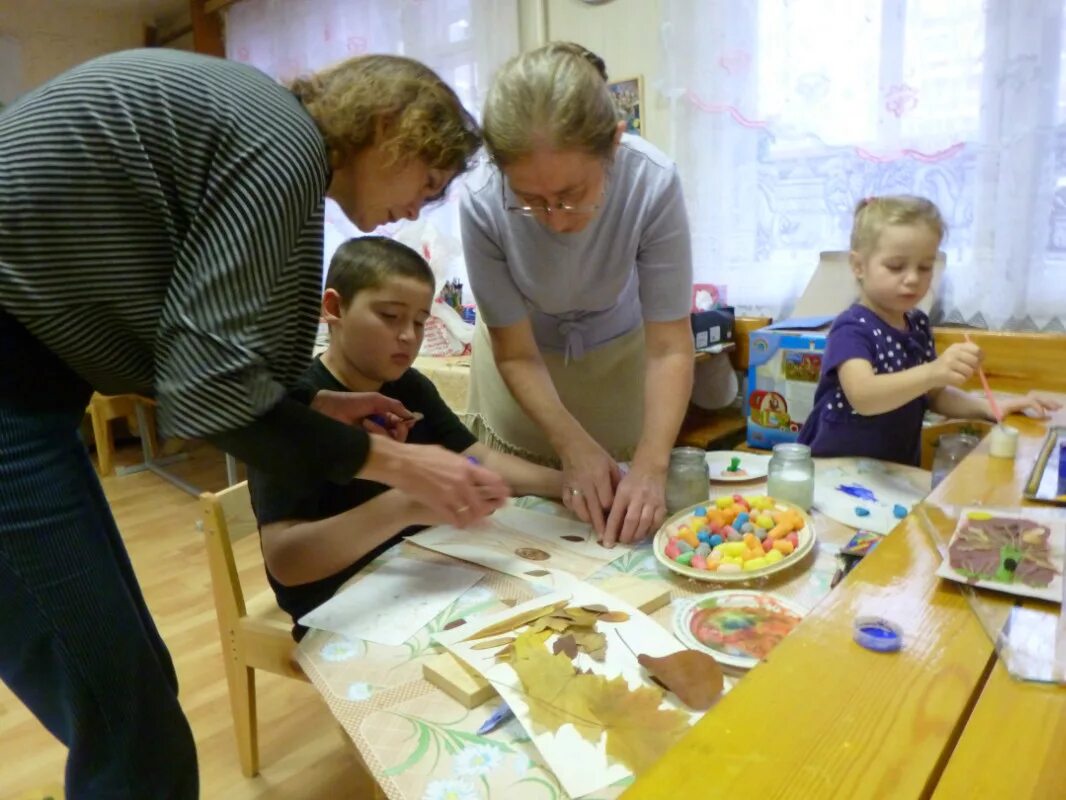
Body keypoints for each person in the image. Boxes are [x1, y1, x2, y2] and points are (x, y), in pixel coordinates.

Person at [0, 48, 509, 798]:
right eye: (425, 183)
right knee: (132, 728)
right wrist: (400, 465)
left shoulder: (252, 123)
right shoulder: (282, 145)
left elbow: (191, 355)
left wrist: (305, 407)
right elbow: (208, 393)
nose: (417, 210)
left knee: (135, 696)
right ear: (387, 129)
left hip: (33, 397)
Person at [249, 237, 563, 638]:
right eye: (390, 316)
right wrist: (404, 505)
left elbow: (474, 456)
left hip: (418, 570)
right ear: (333, 308)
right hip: (339, 602)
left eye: (418, 321)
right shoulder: (291, 407)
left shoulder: (409, 386)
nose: (408, 337)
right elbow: (287, 563)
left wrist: (569, 484)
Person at [460, 42, 695, 548]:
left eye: (571, 196)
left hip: (621, 363)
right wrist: (569, 444)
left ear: (613, 143)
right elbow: (516, 353)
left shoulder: (651, 183)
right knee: (527, 535)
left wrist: (653, 466)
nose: (556, 220)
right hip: (523, 369)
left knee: (622, 510)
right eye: (530, 201)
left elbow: (670, 346)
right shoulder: (480, 199)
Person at [798, 195, 1060, 465]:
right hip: (834, 469)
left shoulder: (918, 325)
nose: (913, 278)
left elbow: (933, 395)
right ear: (858, 266)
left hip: (892, 471)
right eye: (896, 266)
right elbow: (863, 396)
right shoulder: (851, 327)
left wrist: (989, 408)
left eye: (925, 267)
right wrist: (933, 372)